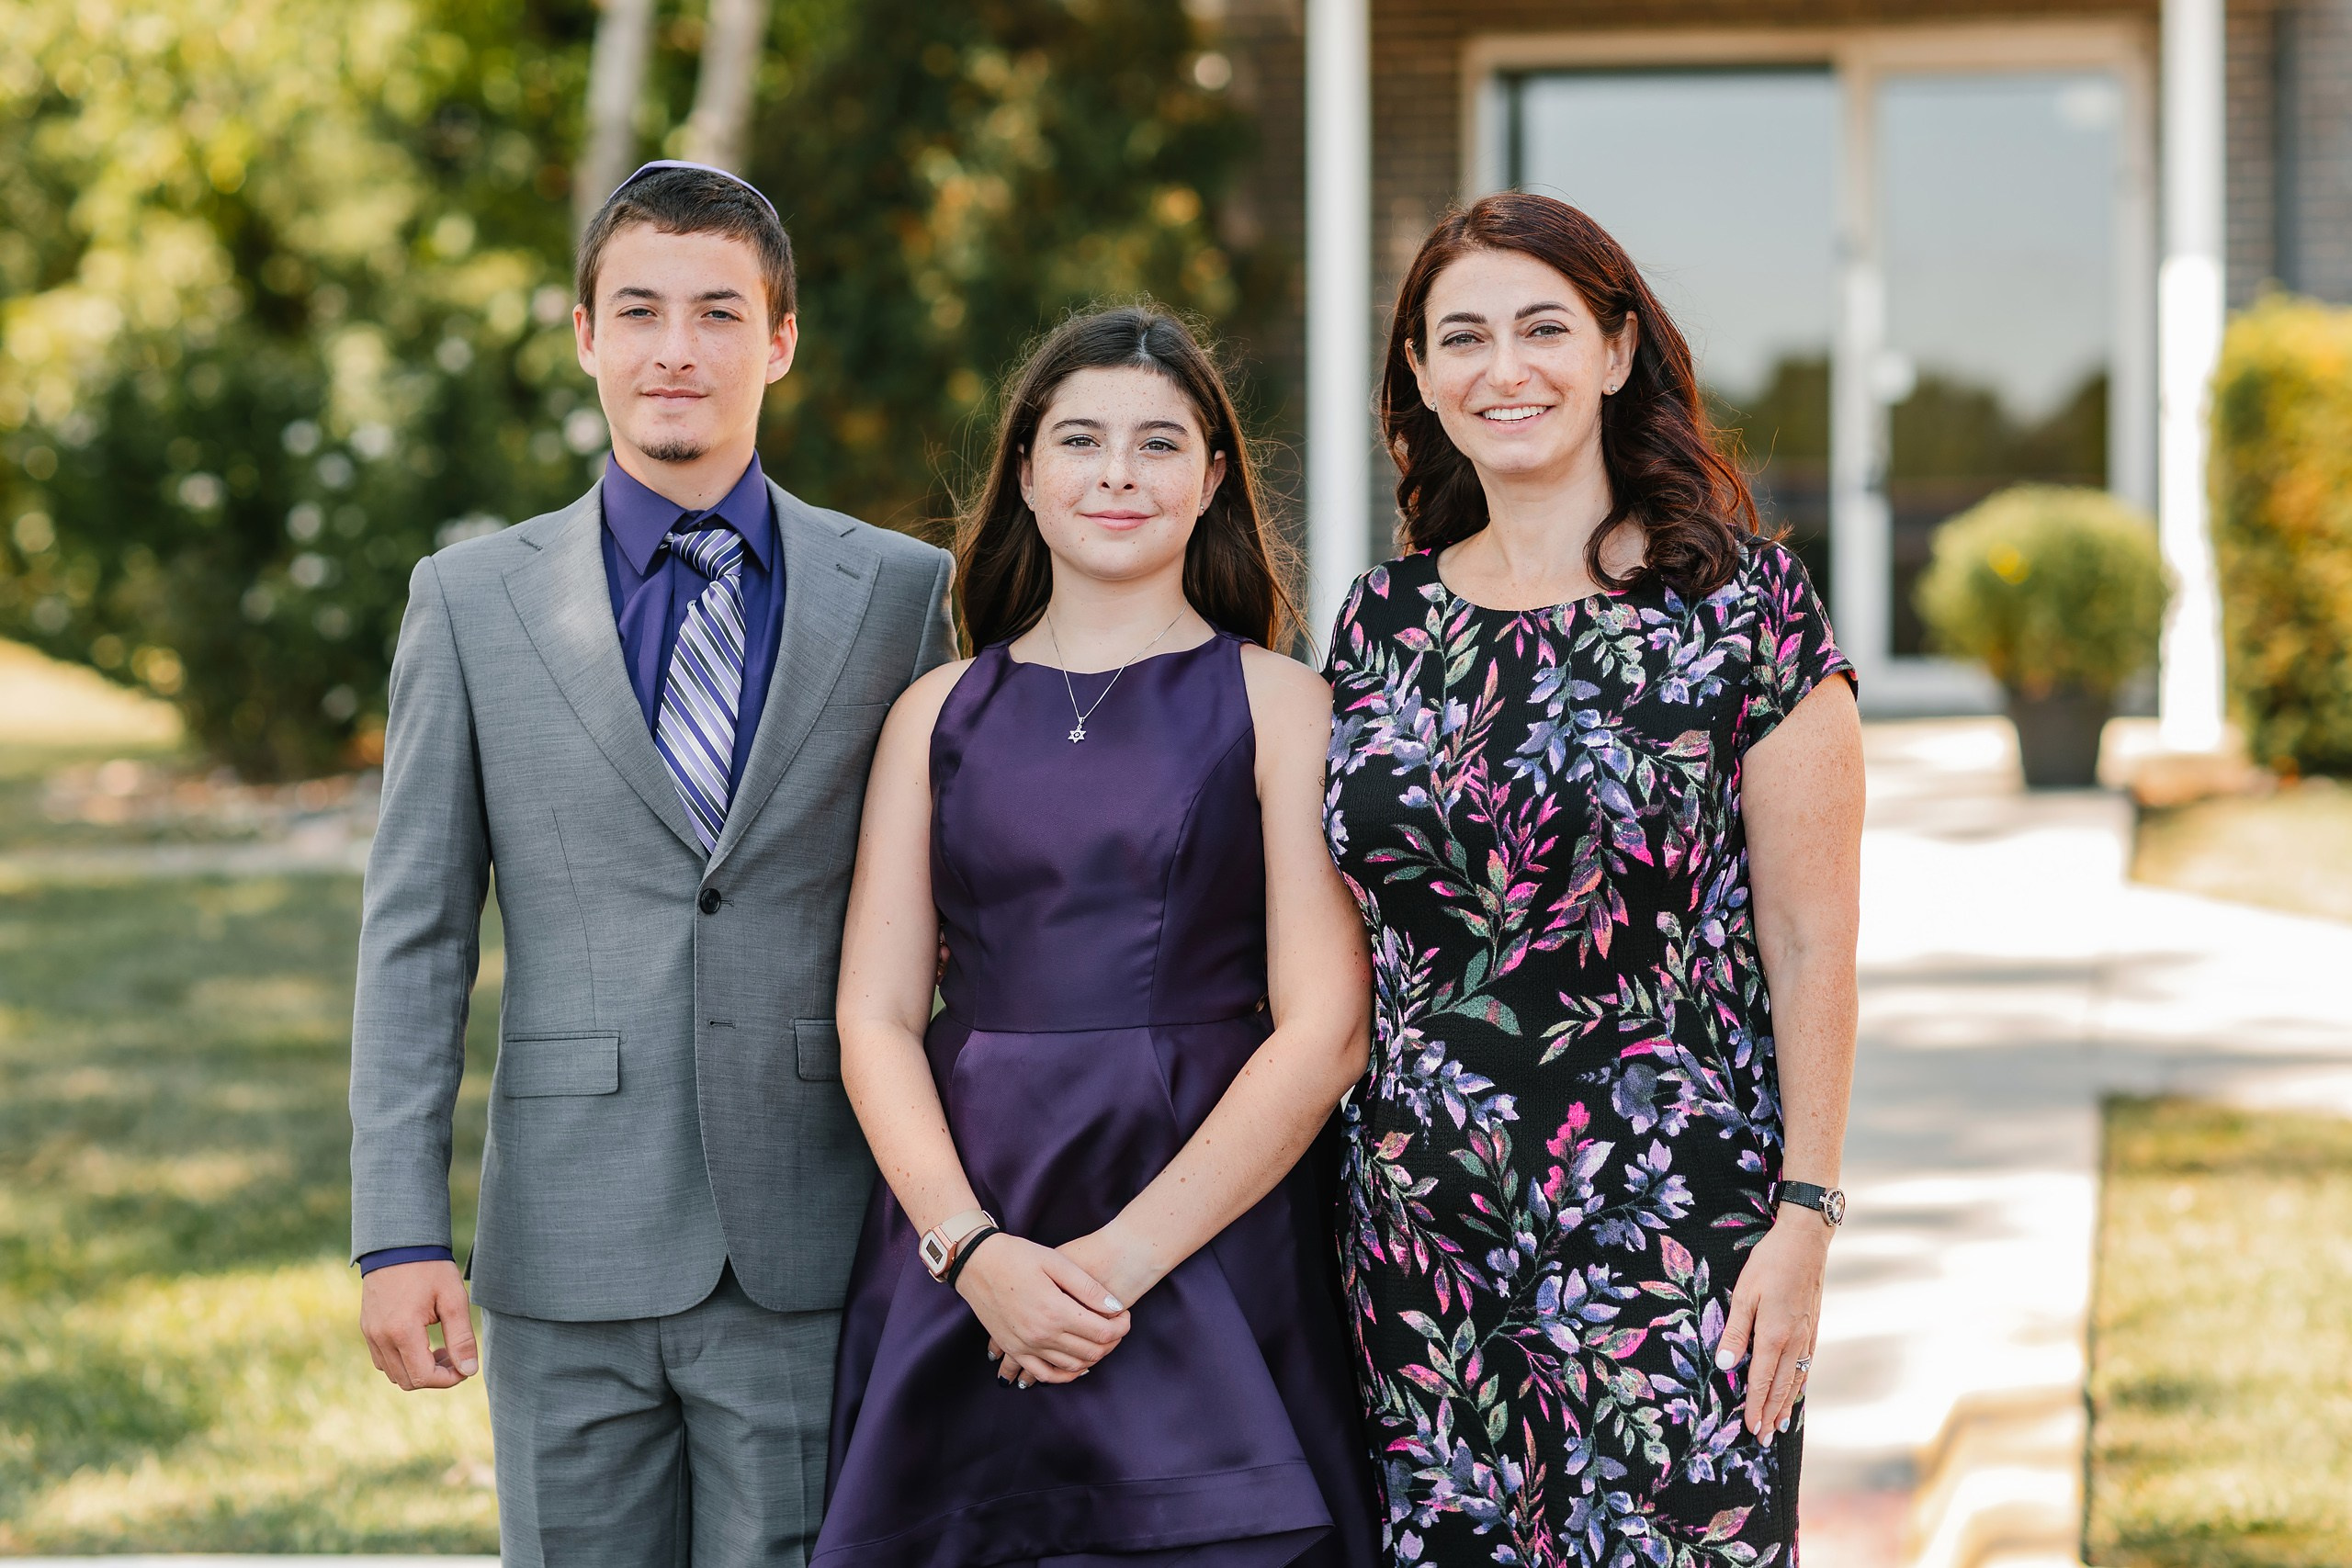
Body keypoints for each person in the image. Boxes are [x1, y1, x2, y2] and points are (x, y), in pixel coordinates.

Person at [349, 161, 956, 1565]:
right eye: (639, 311)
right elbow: (417, 935)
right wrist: (397, 1233)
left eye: (718, 313)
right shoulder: (472, 602)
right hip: (567, 1239)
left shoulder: (900, 596)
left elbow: (950, 916)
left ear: (781, 341)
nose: (676, 350)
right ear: (585, 336)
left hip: (813, 1229)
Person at [1320, 192, 1863, 1565]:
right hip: (1417, 1253)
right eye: (1463, 339)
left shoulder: (1746, 607)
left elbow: (1812, 943)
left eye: (1543, 327)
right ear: (1424, 384)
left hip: (1680, 1235)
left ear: (1618, 351)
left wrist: (1806, 1215)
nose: (1506, 370)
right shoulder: (1378, 627)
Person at [814, 306, 1381, 1568]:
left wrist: (1115, 1266)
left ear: (1214, 477)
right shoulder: (935, 714)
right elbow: (874, 1017)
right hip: (973, 1220)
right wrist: (976, 1256)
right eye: (1080, 440)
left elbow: (1328, 1029)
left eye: (1159, 444)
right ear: (1024, 472)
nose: (1117, 474)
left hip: (1204, 1221)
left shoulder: (1284, 705)